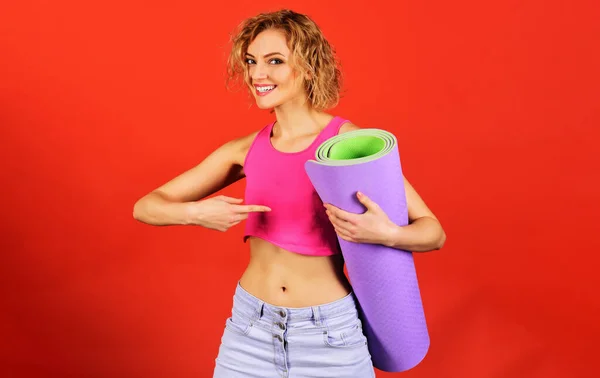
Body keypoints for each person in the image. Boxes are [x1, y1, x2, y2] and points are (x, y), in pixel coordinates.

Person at [133, 9, 446, 378]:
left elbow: (433, 233)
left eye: (275, 61)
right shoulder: (245, 149)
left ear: (310, 67)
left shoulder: (345, 143)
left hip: (329, 334)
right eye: (251, 62)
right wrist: (196, 213)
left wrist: (386, 234)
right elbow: (146, 207)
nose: (257, 74)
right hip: (250, 328)